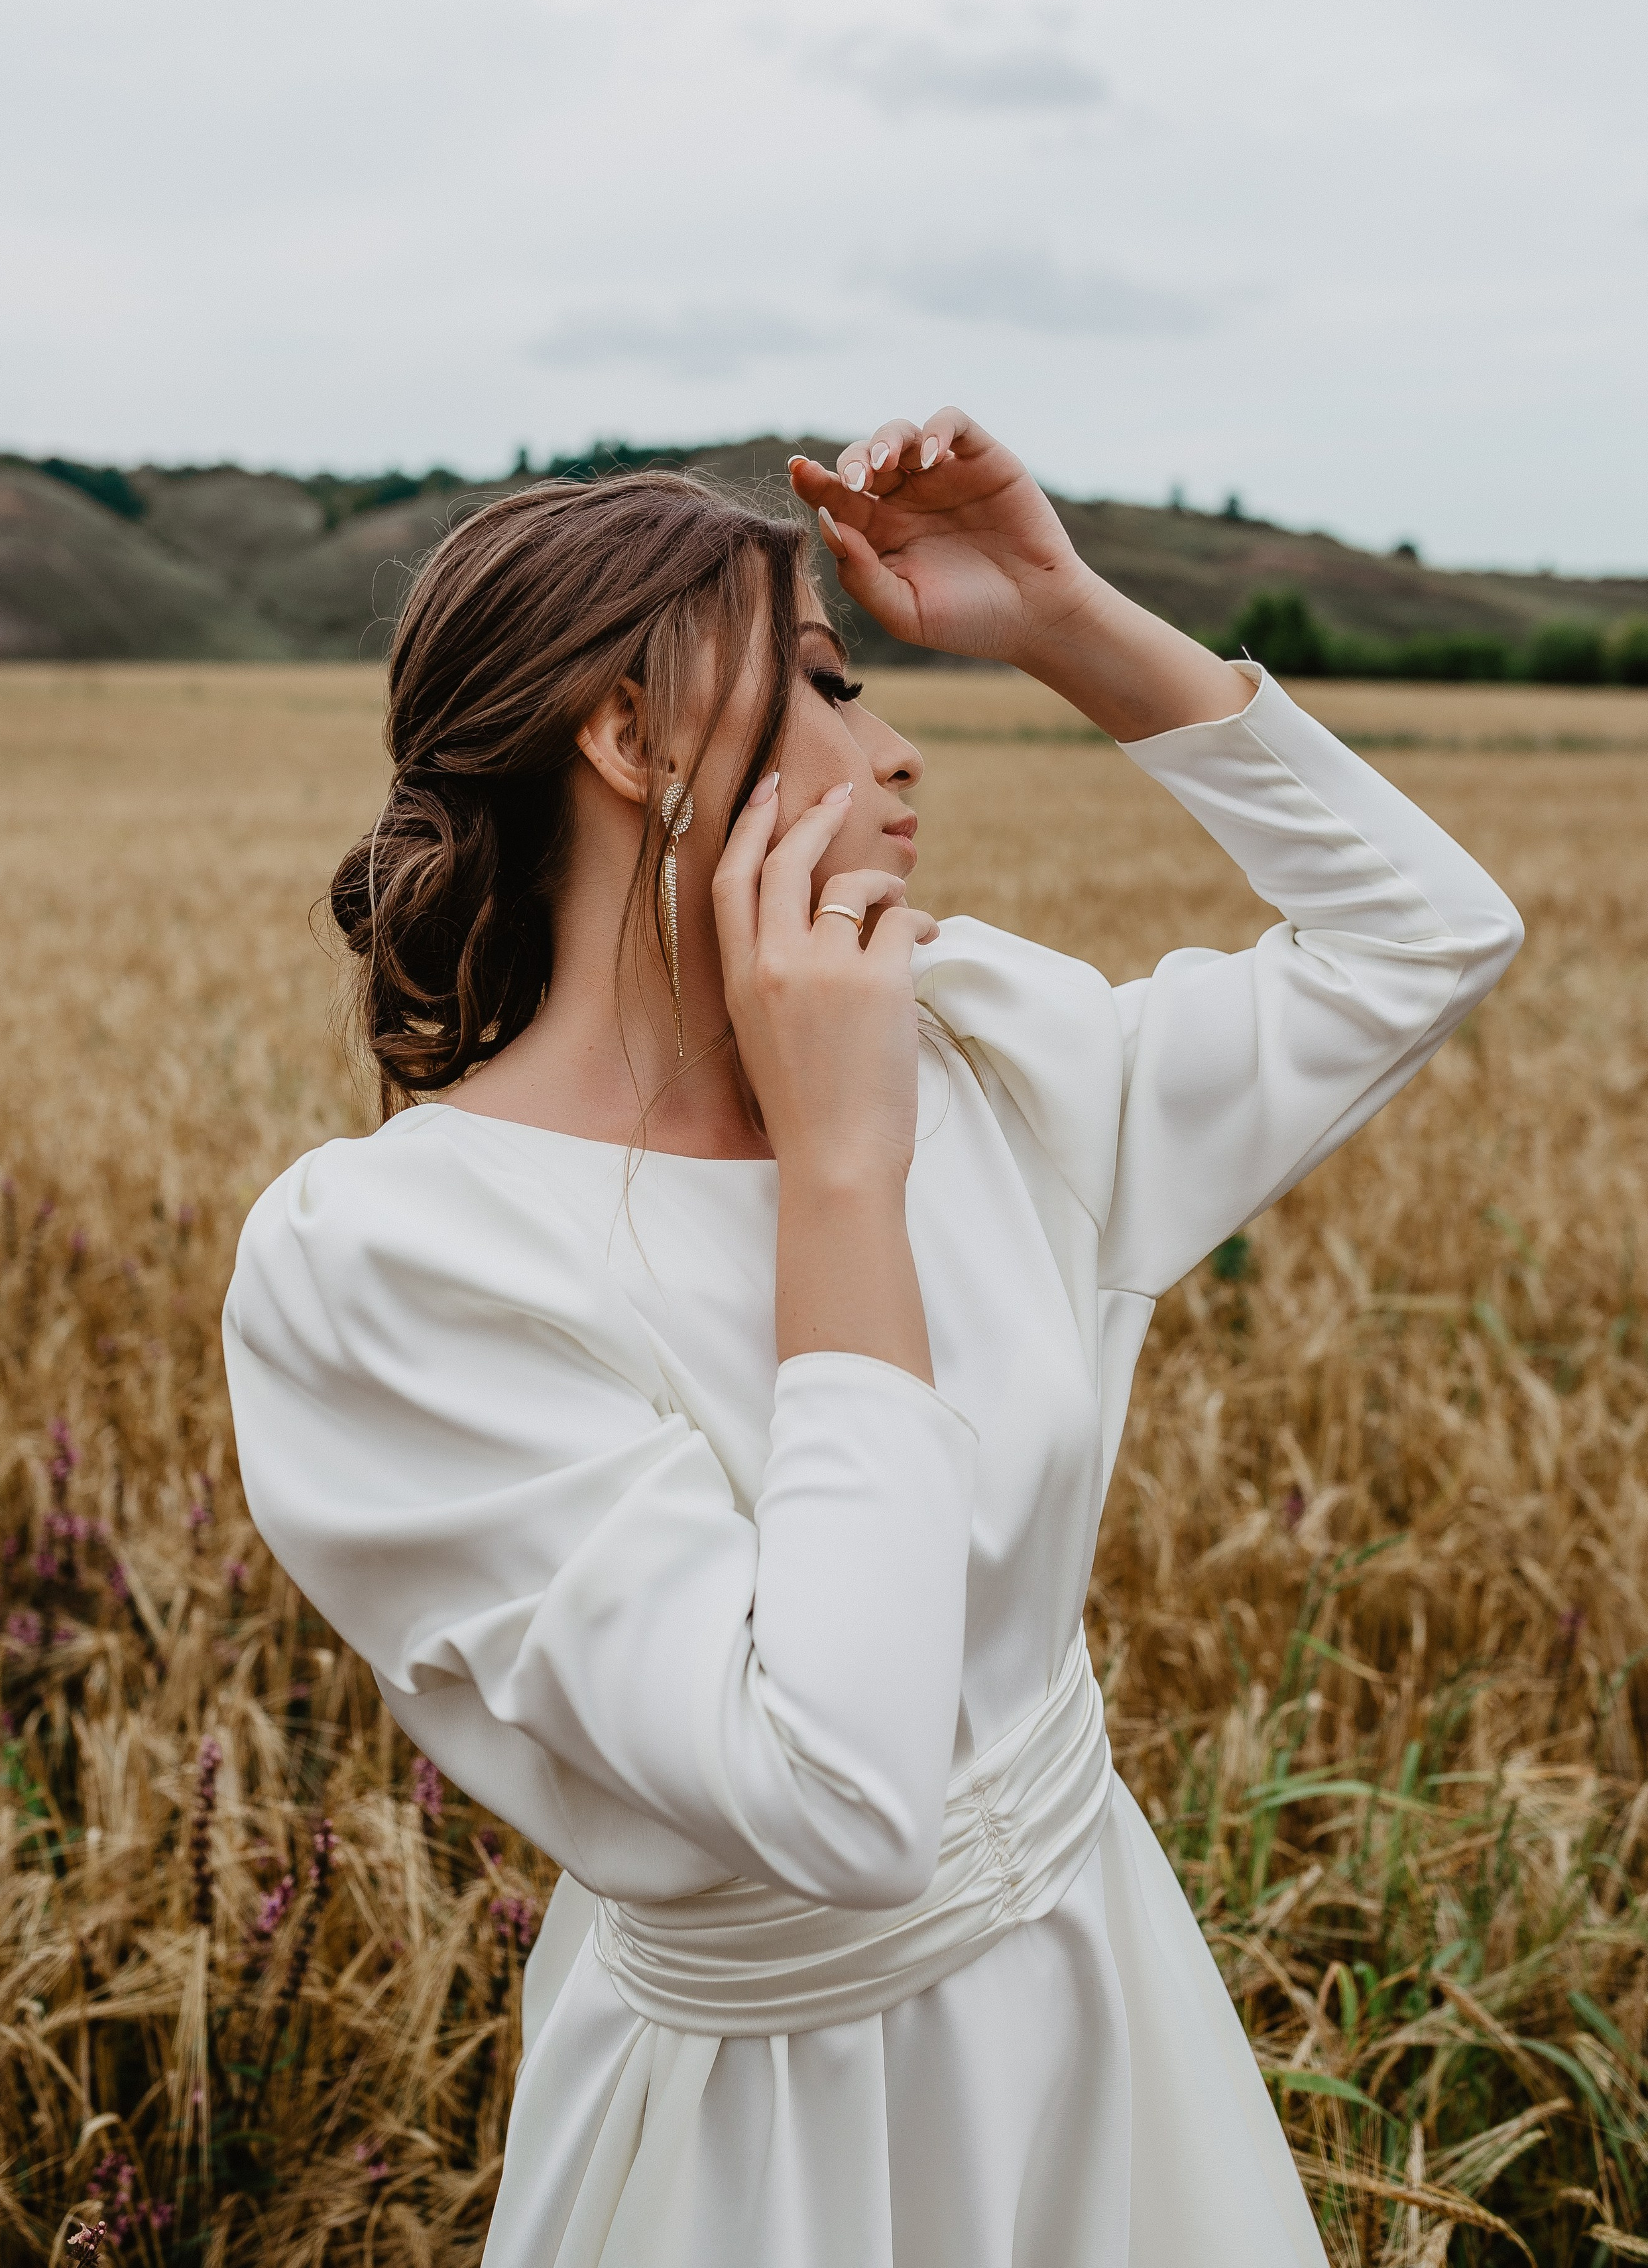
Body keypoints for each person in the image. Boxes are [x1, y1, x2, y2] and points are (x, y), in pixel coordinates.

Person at [223, 412, 1521, 2267]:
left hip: (1113, 2031)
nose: (900, 745)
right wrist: (841, 1162)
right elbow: (836, 1791)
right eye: (830, 683)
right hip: (773, 2148)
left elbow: (1429, 937)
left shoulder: (976, 1051)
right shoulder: (389, 1264)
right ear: (629, 734)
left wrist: (1065, 612)